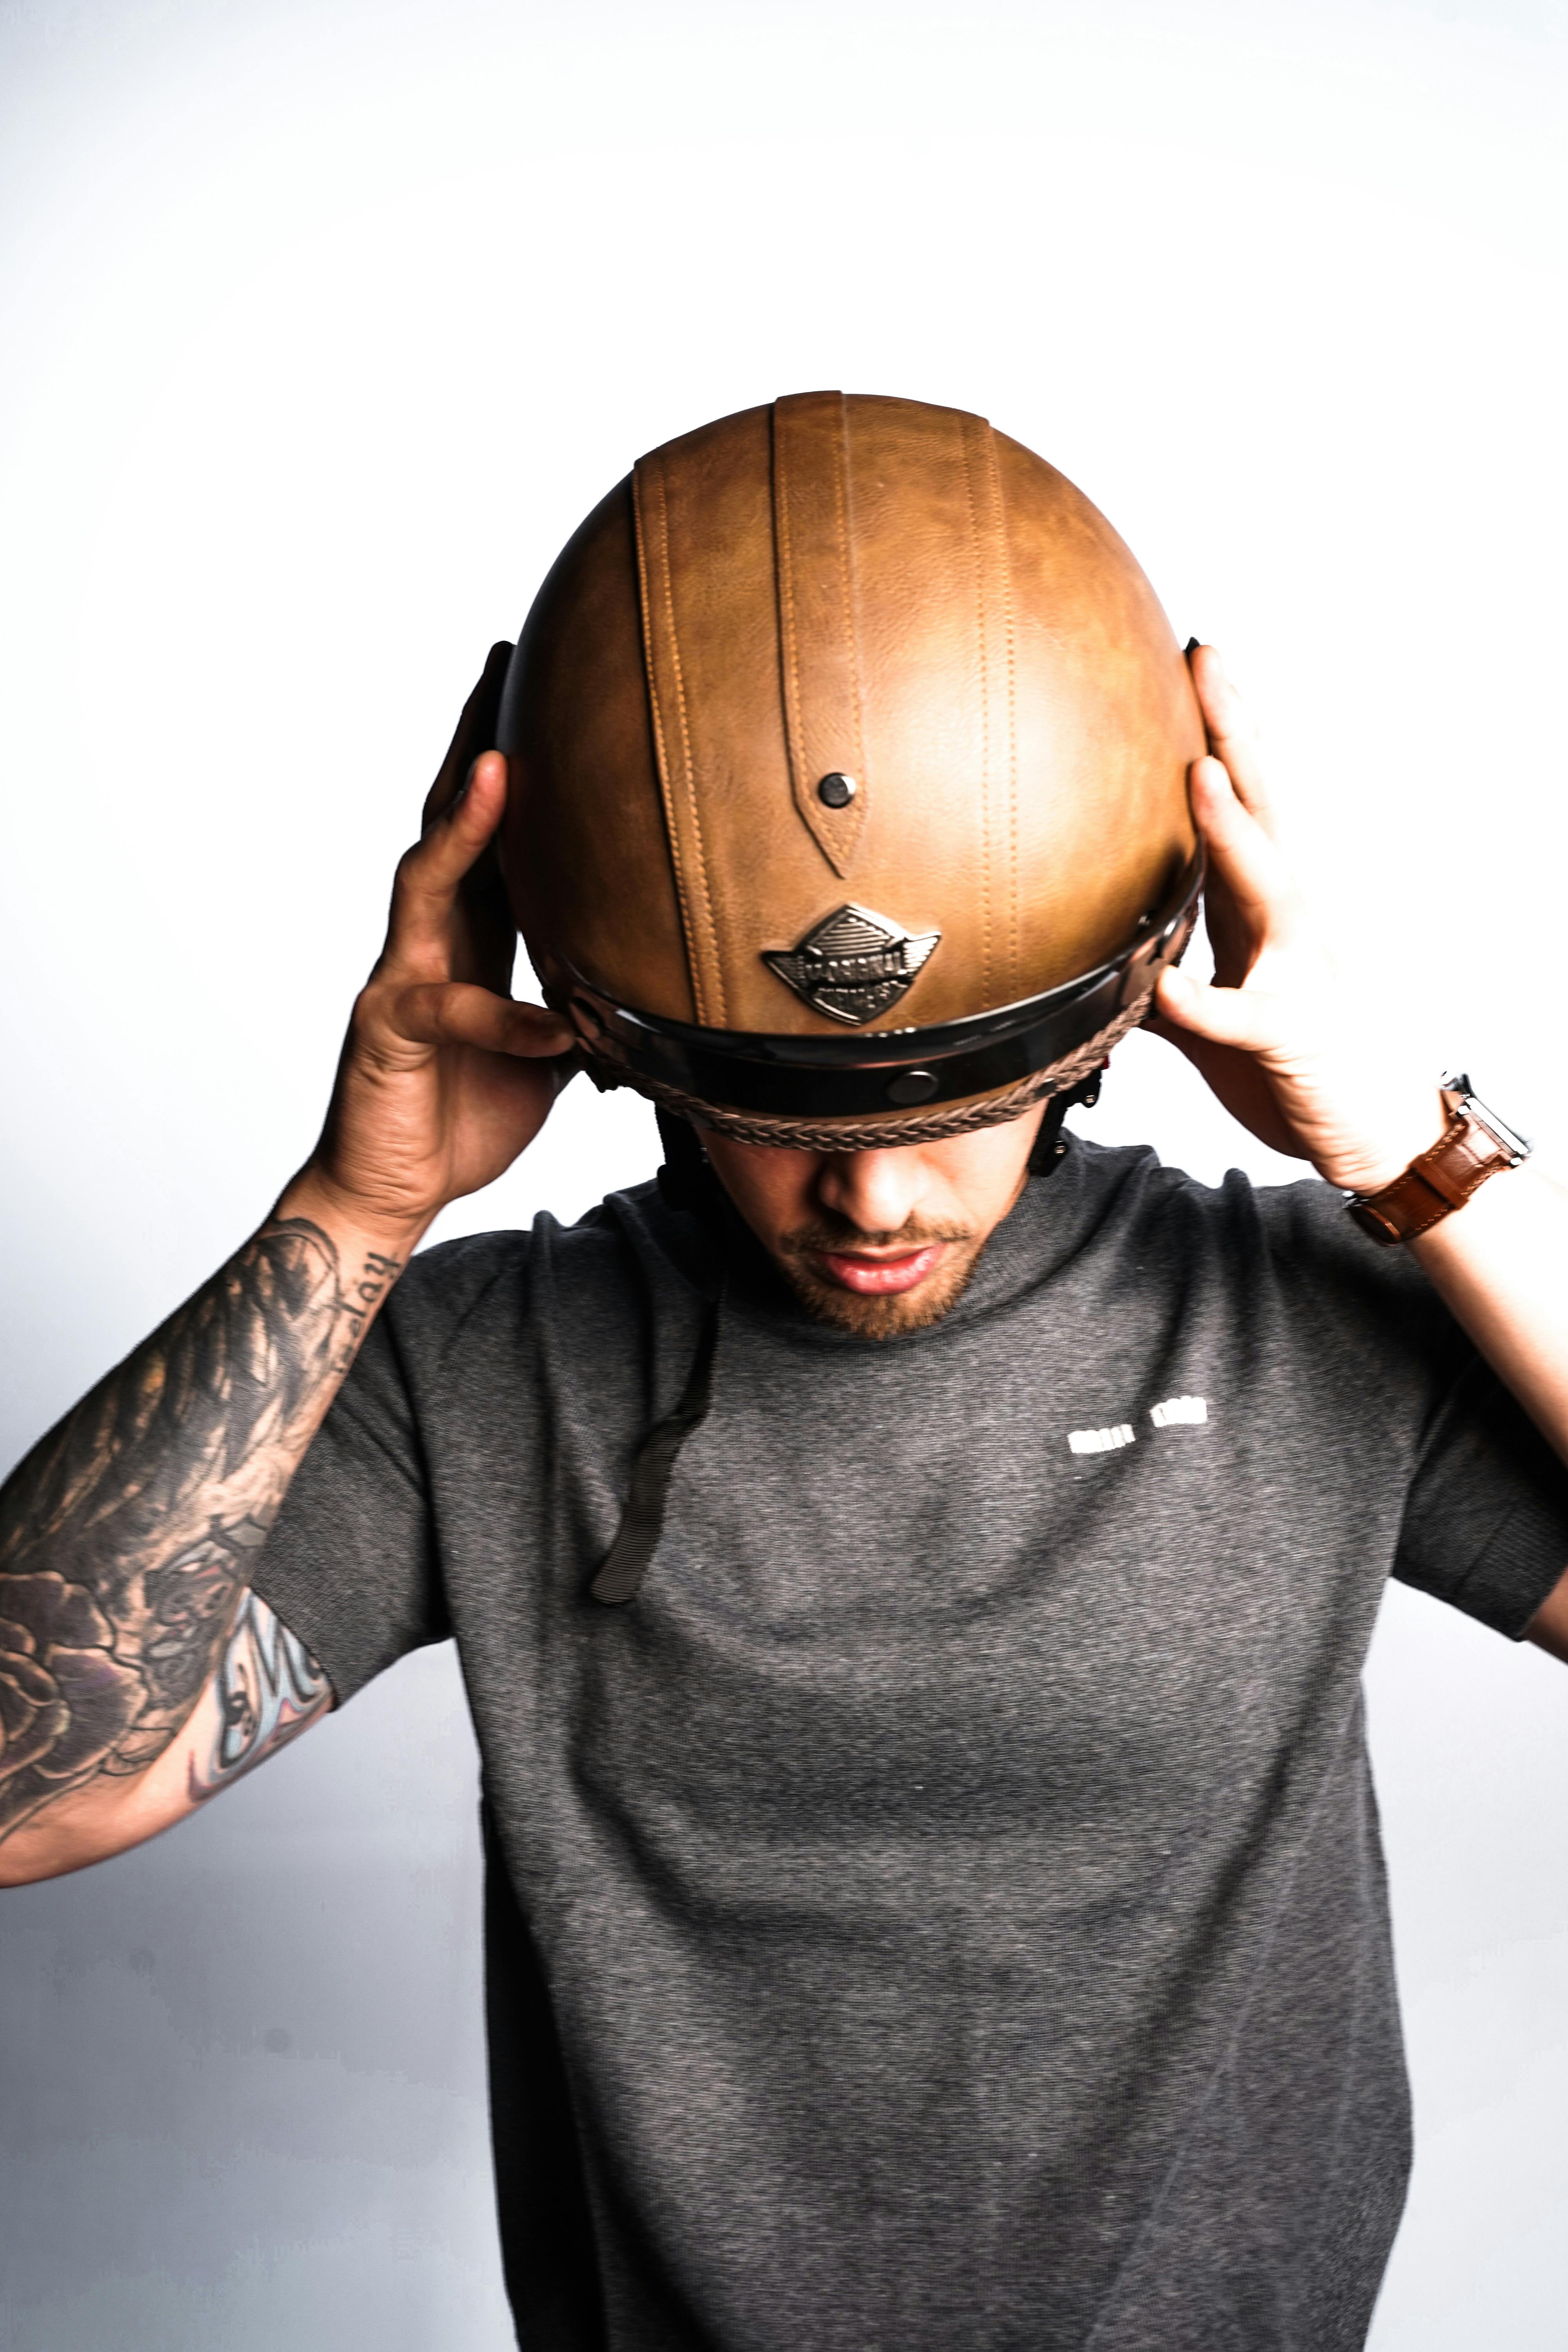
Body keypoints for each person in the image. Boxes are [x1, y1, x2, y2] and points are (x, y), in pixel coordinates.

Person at [3, 394, 1566, 2351]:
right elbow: (19, 1800)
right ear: (623, 1045)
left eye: (960, 1102)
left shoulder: (1293, 1319)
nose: (873, 1198)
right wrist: (358, 1195)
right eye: (778, 1115)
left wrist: (1401, 1143)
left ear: (1112, 1010)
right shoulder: (482, 1371)